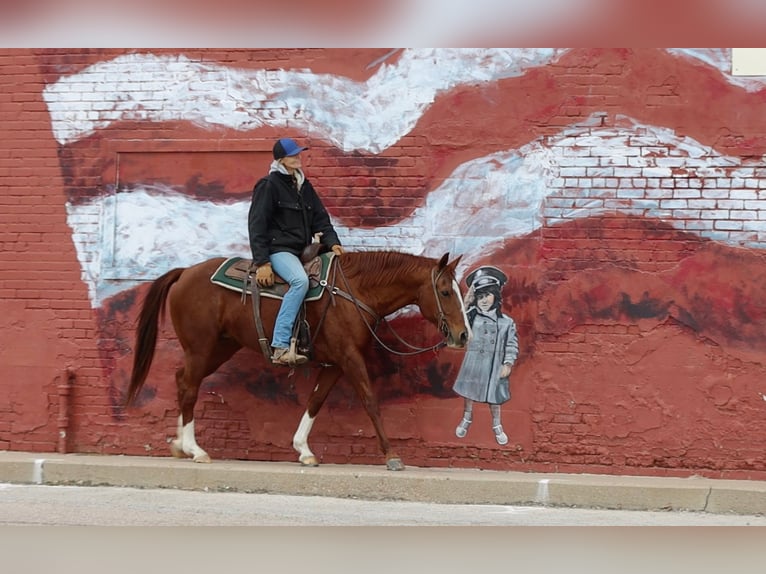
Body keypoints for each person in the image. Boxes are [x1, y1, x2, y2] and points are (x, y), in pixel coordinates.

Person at [248, 137, 344, 366]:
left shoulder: (304, 186)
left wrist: (334, 243)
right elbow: (257, 224)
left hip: (305, 251)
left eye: (298, 154)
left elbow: (321, 219)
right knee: (300, 282)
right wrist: (262, 262)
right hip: (279, 250)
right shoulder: (269, 185)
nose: (298, 157)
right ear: (281, 160)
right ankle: (280, 345)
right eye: (293, 155)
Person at [453, 265, 518, 445]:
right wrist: (466, 303)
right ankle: (467, 418)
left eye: (487, 296)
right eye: (479, 297)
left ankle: (497, 425)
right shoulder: (472, 316)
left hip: (494, 365)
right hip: (474, 363)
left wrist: (508, 363)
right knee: (469, 393)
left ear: (495, 296)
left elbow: (511, 344)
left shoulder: (506, 322)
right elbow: (458, 324)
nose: (483, 300)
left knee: (494, 396)